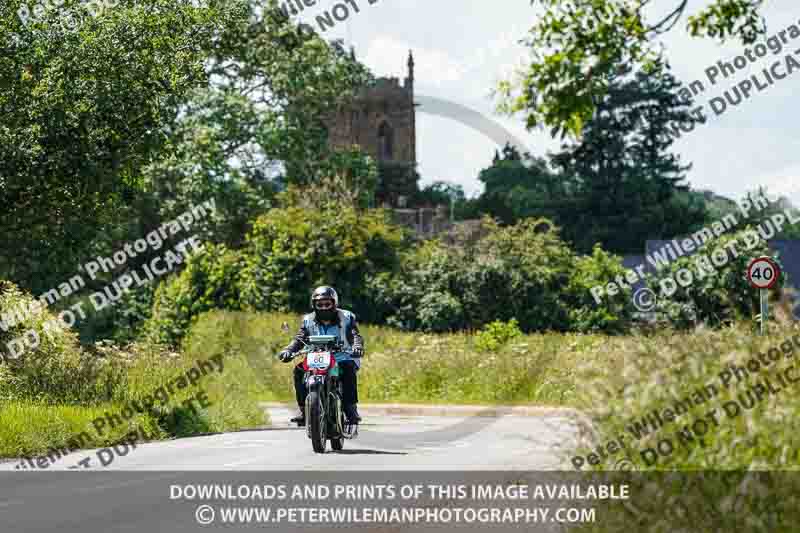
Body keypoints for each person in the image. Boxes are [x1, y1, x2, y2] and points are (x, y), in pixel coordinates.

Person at [278, 286, 364, 426]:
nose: (323, 308)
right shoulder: (308, 320)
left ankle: (350, 408)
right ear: (314, 305)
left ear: (334, 303)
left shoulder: (347, 317)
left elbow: (355, 335)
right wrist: (288, 350)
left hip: (342, 356)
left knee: (348, 370)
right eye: (319, 304)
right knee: (299, 371)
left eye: (327, 304)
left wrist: (357, 346)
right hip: (316, 357)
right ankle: (303, 410)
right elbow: (299, 339)